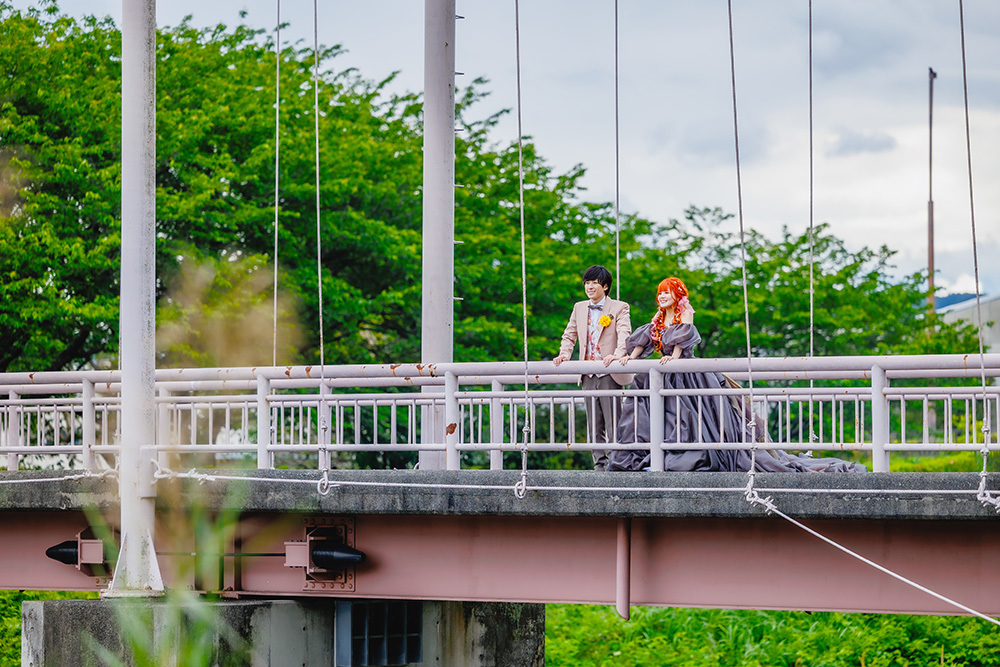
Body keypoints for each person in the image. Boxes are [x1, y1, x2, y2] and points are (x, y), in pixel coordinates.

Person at [608, 277, 865, 473]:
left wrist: (673, 358)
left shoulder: (684, 313)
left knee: (694, 415)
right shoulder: (658, 317)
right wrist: (629, 358)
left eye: (667, 292)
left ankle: (690, 454)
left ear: (677, 294)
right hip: (664, 372)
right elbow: (644, 340)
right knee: (647, 402)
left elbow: (682, 340)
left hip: (685, 369)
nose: (662, 296)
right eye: (660, 293)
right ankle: (654, 453)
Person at [553, 265, 634, 471]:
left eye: (594, 283)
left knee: (613, 421)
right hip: (587, 372)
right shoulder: (579, 307)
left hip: (609, 371)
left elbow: (625, 332)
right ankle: (599, 465)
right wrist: (564, 354)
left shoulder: (619, 307)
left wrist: (617, 354)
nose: (589, 287)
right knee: (594, 423)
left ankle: (617, 463)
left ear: (605, 286)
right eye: (587, 283)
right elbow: (569, 334)